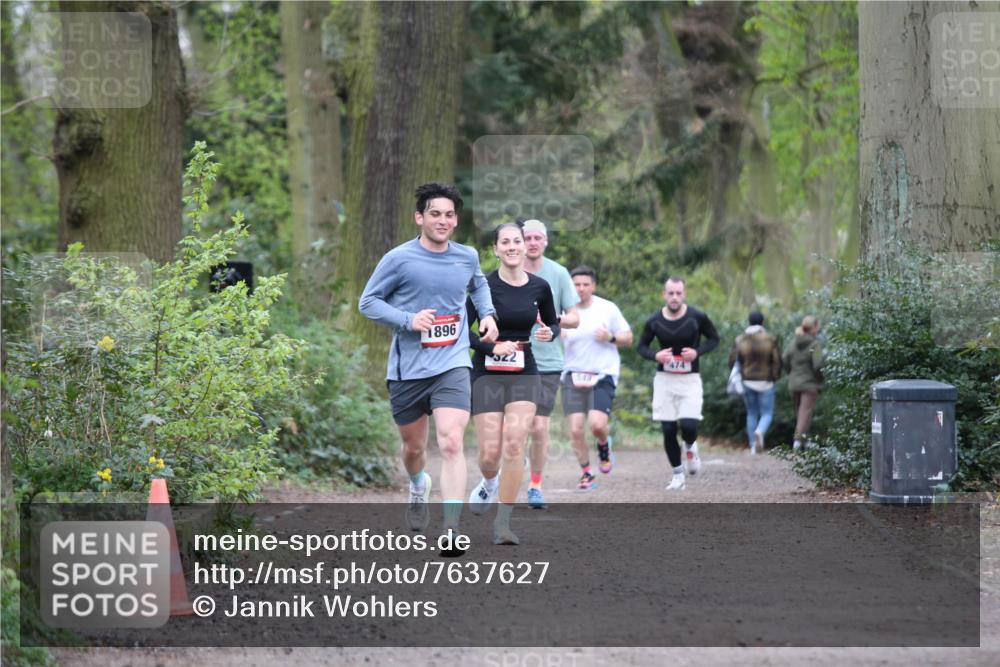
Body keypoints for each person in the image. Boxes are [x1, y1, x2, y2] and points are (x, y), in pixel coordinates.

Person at [359, 182, 498, 543]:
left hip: (453, 362)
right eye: (435, 214)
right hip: (408, 369)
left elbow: (478, 285)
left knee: (452, 442)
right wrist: (408, 320)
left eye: (449, 215)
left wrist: (487, 314)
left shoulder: (466, 255)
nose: (442, 220)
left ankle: (451, 529)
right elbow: (368, 302)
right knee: (414, 448)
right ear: (419, 217)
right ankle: (418, 485)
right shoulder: (399, 259)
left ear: (456, 220)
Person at [466, 222, 561, 544]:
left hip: (524, 371)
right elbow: (462, 332)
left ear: (524, 246)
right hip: (487, 372)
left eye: (516, 241)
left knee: (514, 444)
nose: (511, 246)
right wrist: (492, 346)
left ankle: (503, 523)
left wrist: (550, 332)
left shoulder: (540, 286)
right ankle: (489, 482)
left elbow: (552, 322)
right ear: (495, 249)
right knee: (490, 453)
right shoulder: (482, 287)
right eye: (504, 242)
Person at [637, 277, 720, 491]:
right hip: (665, 380)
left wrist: (697, 352)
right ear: (664, 294)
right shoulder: (654, 320)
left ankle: (691, 445)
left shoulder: (697, 317)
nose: (674, 297)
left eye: (678, 293)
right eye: (670, 293)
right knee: (667, 429)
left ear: (684, 294)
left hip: (690, 380)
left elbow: (714, 339)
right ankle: (677, 475)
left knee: (689, 426)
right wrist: (655, 355)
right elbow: (642, 347)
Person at [520, 219, 580, 509]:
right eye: (527, 237)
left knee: (539, 427)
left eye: (537, 238)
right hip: (510, 357)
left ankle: (535, 485)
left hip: (547, 361)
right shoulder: (509, 272)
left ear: (545, 241)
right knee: (513, 426)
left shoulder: (558, 273)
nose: (532, 242)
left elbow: (575, 317)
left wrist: (551, 319)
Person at [560, 266, 632, 490]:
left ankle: (604, 445)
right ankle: (586, 473)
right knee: (575, 430)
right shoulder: (564, 311)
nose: (580, 289)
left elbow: (628, 337)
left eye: (585, 284)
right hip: (572, 374)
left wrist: (610, 337)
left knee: (598, 425)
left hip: (602, 374)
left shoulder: (607, 308)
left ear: (594, 286)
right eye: (576, 285)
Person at [729, 310, 782, 455]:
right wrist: (775, 376)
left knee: (751, 413)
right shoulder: (770, 339)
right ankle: (760, 431)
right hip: (766, 382)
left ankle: (753, 445)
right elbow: (777, 361)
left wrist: (739, 376)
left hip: (747, 381)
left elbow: (733, 361)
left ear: (749, 322)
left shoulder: (740, 340)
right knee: (767, 413)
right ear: (762, 322)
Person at [783, 315, 824, 451]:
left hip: (794, 384)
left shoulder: (793, 343)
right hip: (809, 385)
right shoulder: (815, 344)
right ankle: (797, 443)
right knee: (804, 414)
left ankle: (804, 442)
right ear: (815, 328)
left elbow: (785, 359)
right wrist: (820, 379)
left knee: (800, 414)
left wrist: (791, 372)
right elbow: (818, 366)